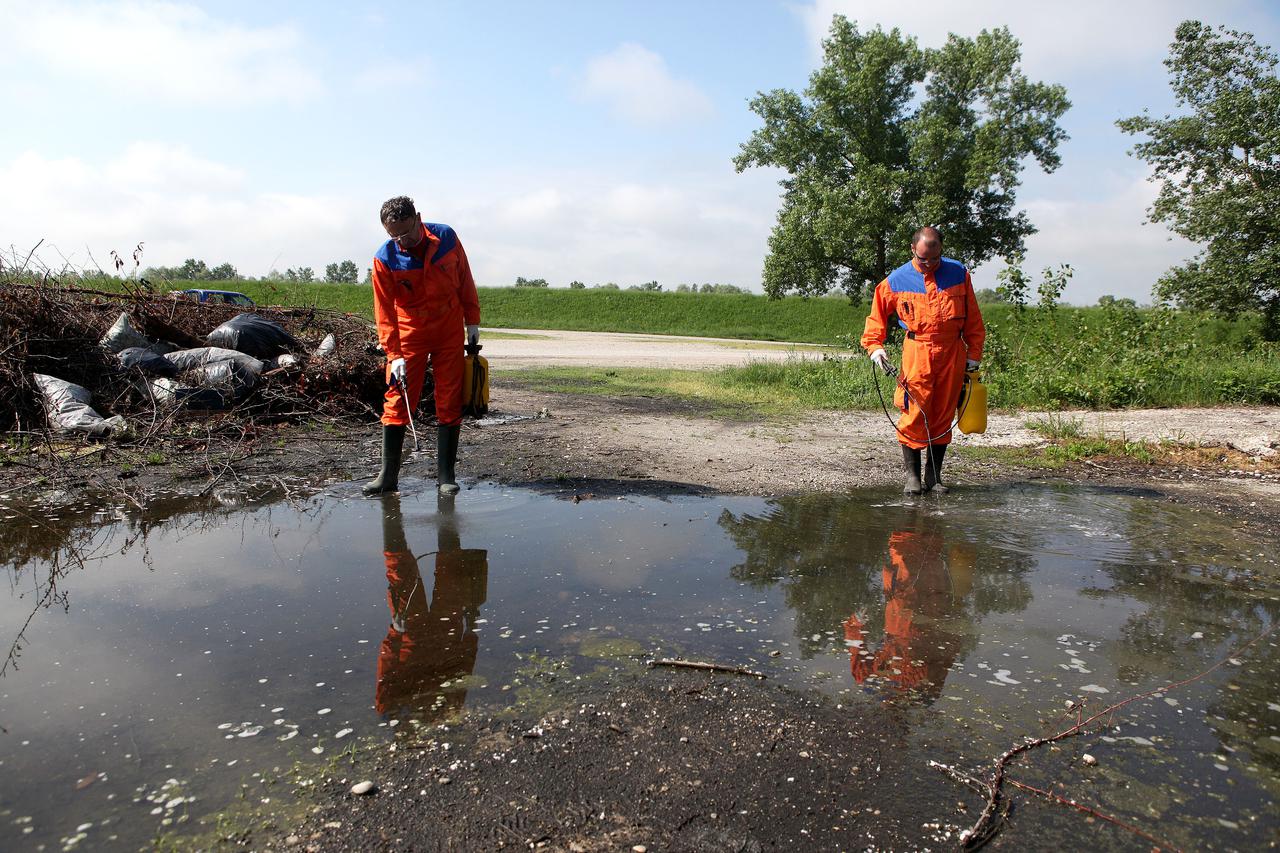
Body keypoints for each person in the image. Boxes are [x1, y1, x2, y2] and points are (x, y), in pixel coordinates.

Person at [363, 196, 481, 496]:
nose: (402, 241)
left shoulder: (446, 238)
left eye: (406, 233)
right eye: (394, 236)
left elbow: (465, 279)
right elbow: (384, 311)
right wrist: (394, 354)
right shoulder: (384, 258)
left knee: (449, 397)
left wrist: (472, 321)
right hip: (408, 333)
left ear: (418, 218)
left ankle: (445, 477)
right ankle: (387, 476)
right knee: (396, 399)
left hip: (448, 330)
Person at [861, 227, 985, 494]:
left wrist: (973, 357)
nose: (928, 264)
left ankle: (934, 477)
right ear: (912, 250)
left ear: (941, 248)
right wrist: (875, 349)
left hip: (952, 351)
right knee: (914, 411)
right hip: (918, 352)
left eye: (934, 258)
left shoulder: (959, 274)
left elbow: (974, 321)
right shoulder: (895, 281)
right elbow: (875, 322)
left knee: (943, 412)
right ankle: (913, 478)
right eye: (923, 259)